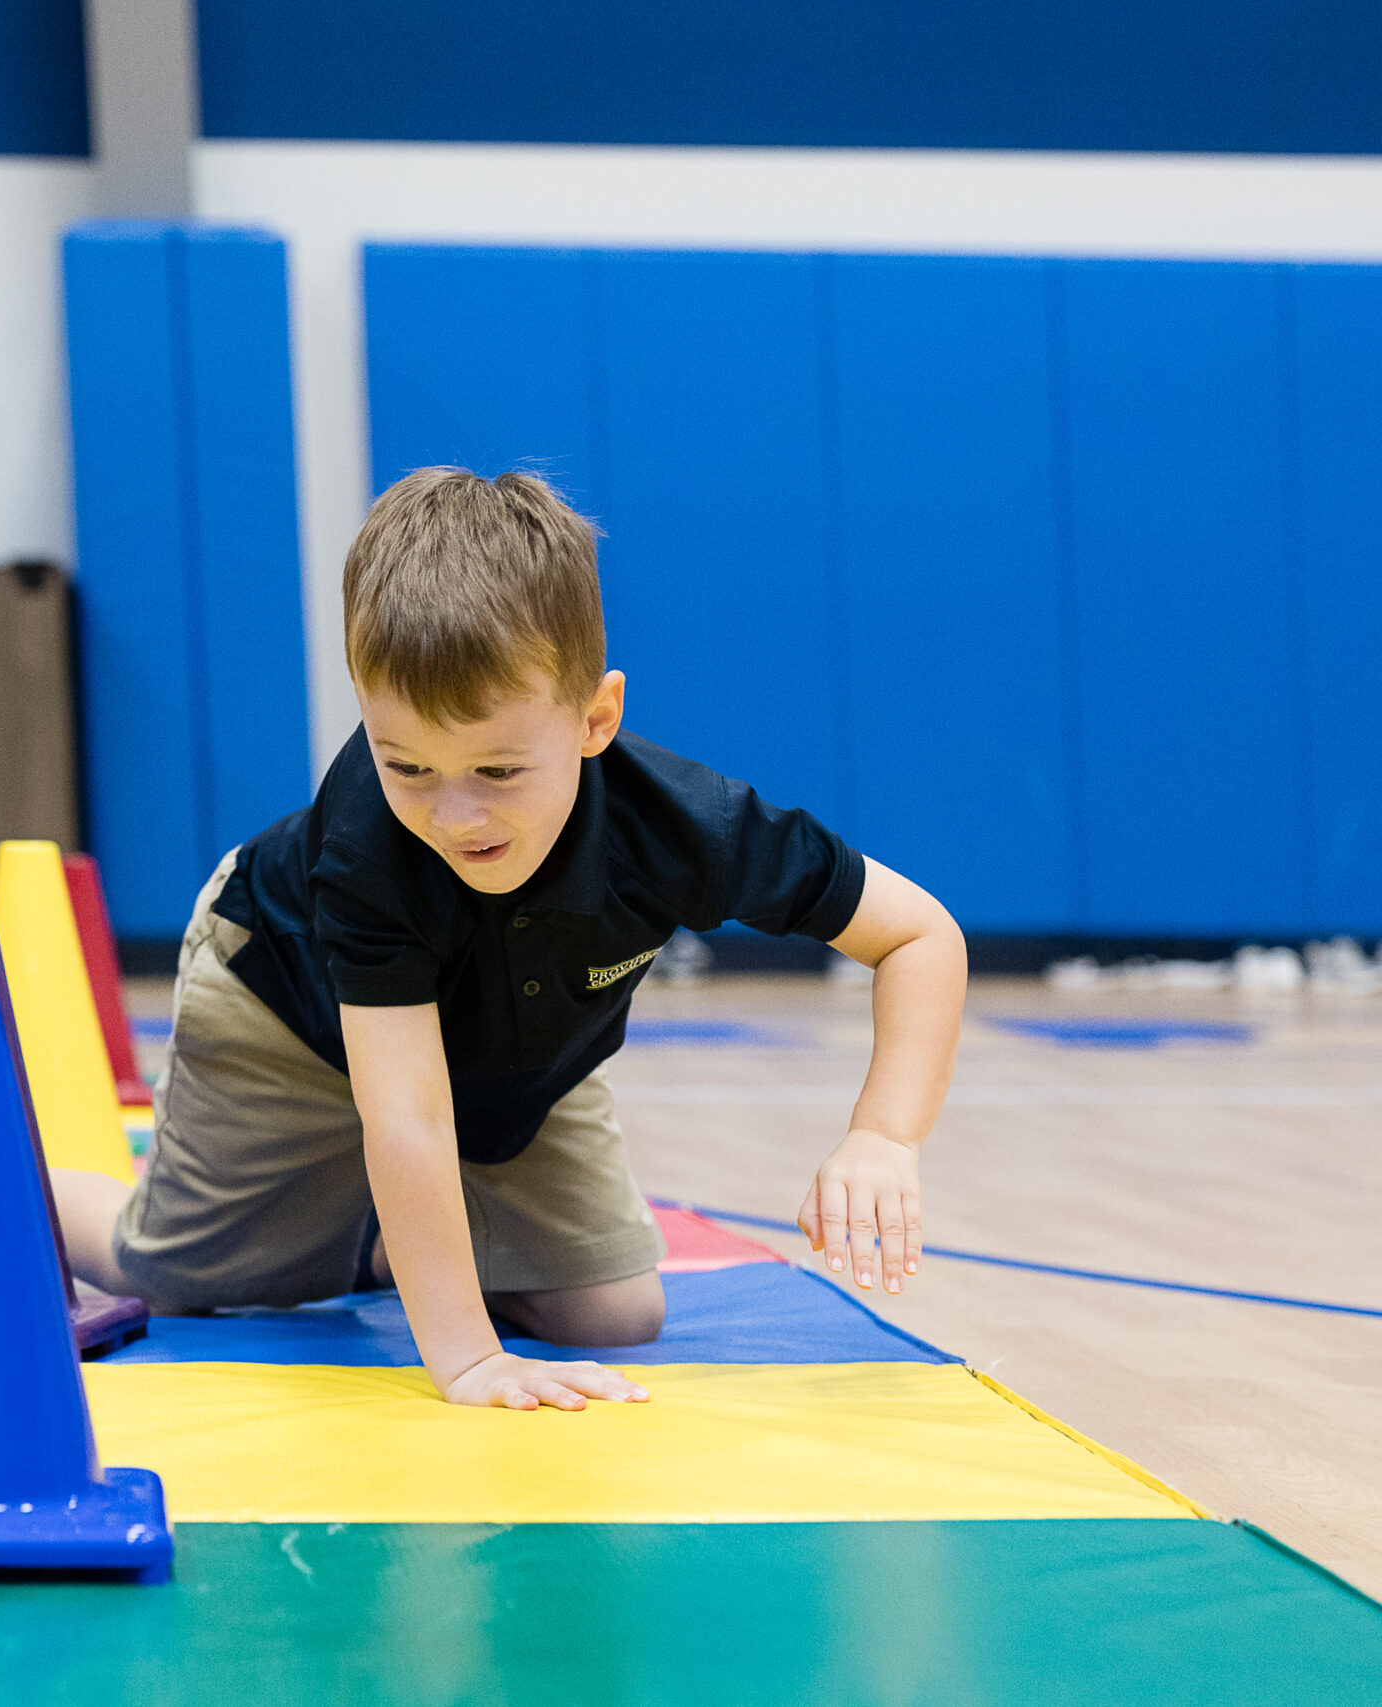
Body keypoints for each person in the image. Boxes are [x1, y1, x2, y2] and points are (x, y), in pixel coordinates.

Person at [51, 468, 967, 1411]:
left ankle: (374, 1240)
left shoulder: (685, 827)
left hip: (511, 1054)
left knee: (613, 1315)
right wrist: (467, 1357)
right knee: (170, 1281)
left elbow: (919, 936)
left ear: (594, 719)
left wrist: (883, 1137)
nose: (455, 814)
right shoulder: (369, 846)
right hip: (285, 1006)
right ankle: (41, 1187)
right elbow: (406, 1113)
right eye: (405, 763)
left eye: (497, 769)